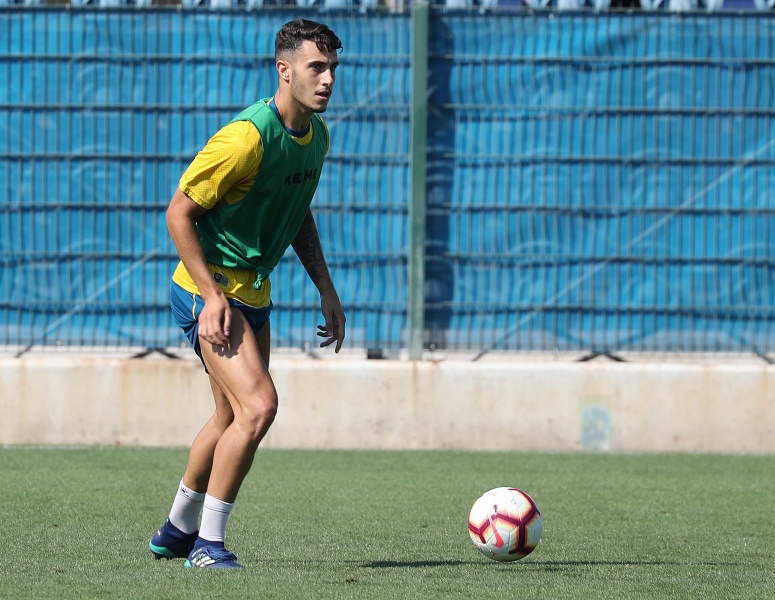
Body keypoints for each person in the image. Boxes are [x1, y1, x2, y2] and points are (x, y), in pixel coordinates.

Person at [148, 19, 345, 570]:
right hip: (207, 292)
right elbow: (179, 212)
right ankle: (208, 544)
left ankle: (175, 529)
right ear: (284, 71)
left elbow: (296, 209)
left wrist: (325, 288)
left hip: (253, 292)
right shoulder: (246, 138)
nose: (328, 79)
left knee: (229, 418)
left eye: (333, 69)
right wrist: (211, 297)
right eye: (316, 67)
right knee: (259, 407)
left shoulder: (316, 135)